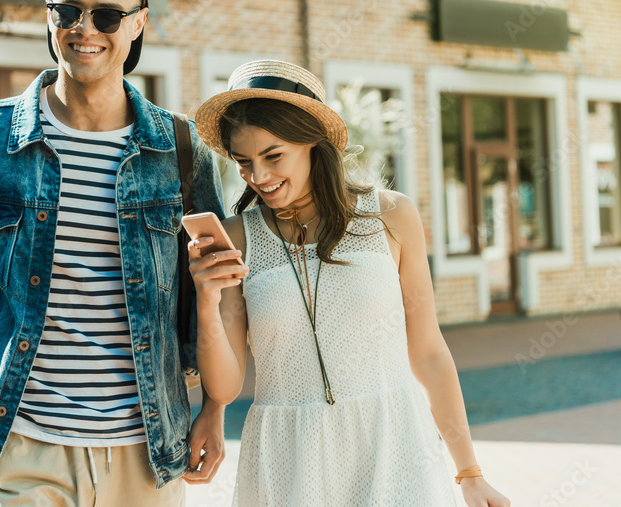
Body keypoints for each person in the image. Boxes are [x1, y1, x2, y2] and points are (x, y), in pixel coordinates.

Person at [0, 0, 227, 506]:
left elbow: (213, 291)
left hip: (146, 449)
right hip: (22, 439)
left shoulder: (180, 149)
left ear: (138, 24)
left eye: (107, 15)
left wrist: (214, 408)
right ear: (49, 15)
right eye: (68, 10)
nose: (85, 29)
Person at [187, 60, 511, 506]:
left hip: (393, 443)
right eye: (244, 163)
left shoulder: (392, 216)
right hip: (289, 458)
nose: (258, 177)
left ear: (313, 143)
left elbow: (429, 351)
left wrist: (469, 472)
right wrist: (207, 299)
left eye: (273, 156)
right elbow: (225, 388)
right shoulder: (238, 237)